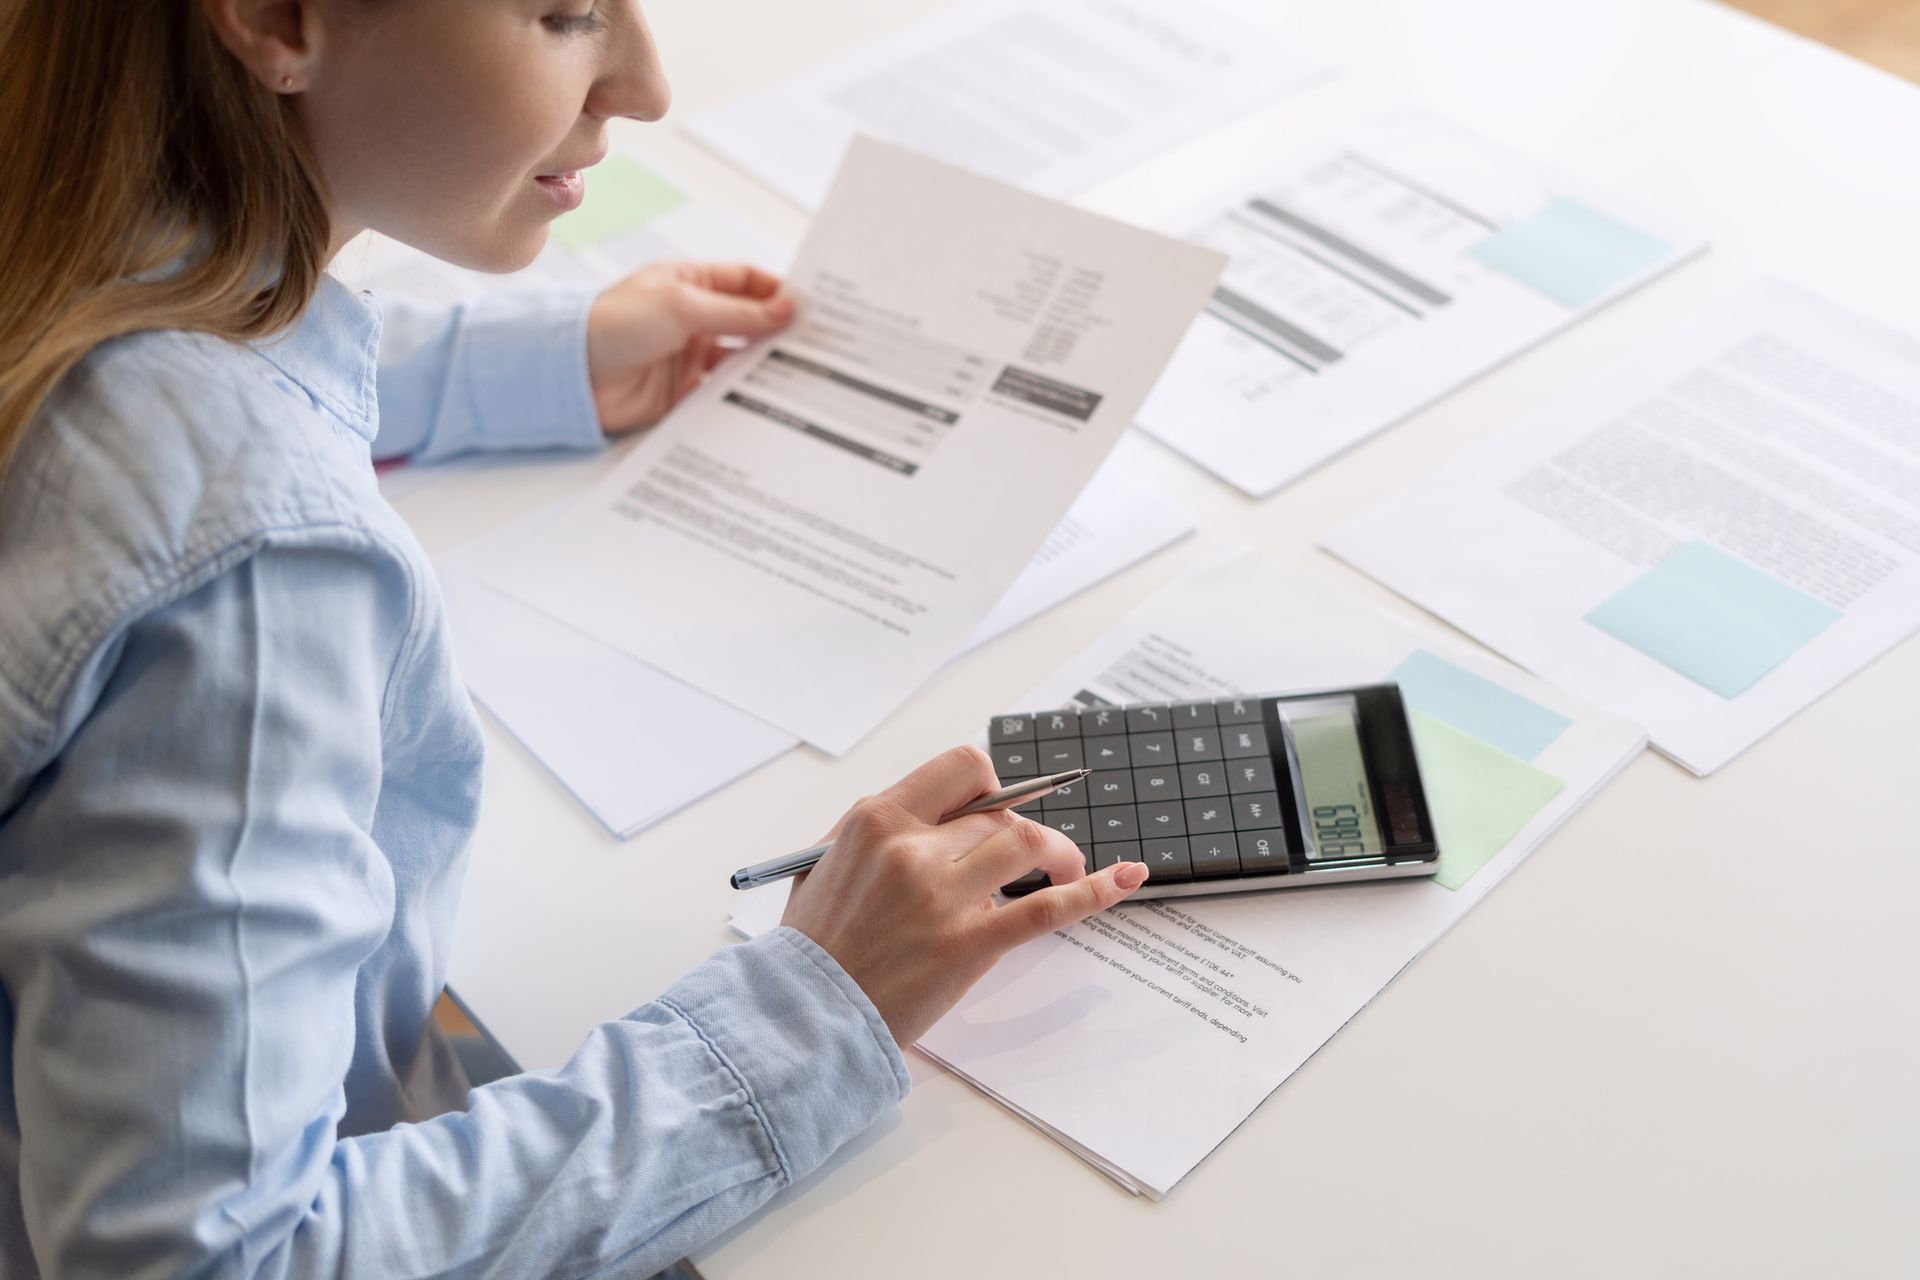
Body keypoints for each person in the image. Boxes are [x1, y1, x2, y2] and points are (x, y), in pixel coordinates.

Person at [0, 0, 1150, 1274]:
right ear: (275, 20)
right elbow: (216, 1258)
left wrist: (533, 364)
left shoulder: (47, 184)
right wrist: (817, 1008)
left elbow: (164, 323)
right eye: (563, 14)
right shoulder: (261, 576)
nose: (648, 85)